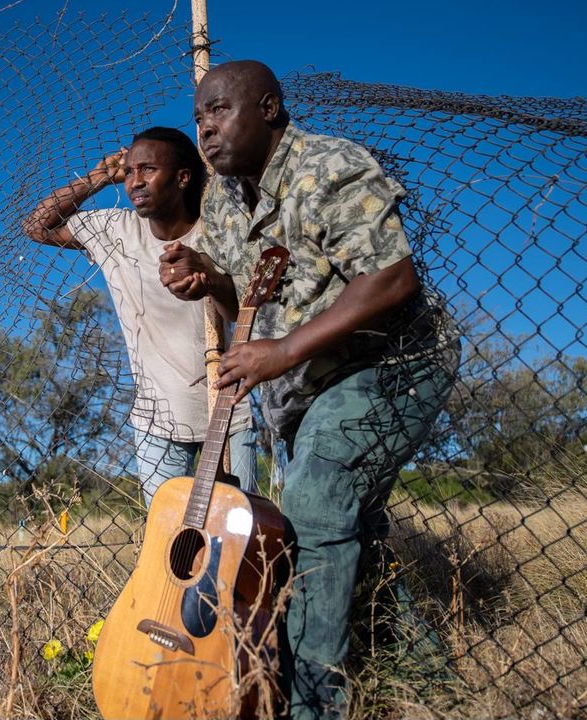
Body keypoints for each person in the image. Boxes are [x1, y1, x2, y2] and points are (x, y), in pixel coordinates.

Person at [161, 61, 459, 718]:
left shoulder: (329, 166)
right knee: (348, 533)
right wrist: (200, 274)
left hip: (394, 361)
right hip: (310, 389)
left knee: (315, 506)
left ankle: (312, 707)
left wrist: (283, 350)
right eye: (199, 117)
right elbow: (238, 283)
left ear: (268, 109)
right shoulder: (221, 200)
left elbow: (389, 280)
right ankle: (422, 680)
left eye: (219, 110)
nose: (205, 129)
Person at [22, 127, 257, 507]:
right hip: (155, 420)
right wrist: (99, 177)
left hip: (227, 409)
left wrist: (209, 282)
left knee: (241, 533)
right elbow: (37, 226)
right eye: (129, 171)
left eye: (147, 169)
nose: (135, 181)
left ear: (182, 177)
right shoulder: (115, 230)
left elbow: (238, 312)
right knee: (168, 541)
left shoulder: (215, 232)